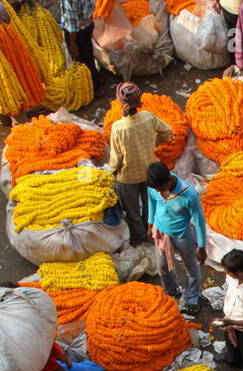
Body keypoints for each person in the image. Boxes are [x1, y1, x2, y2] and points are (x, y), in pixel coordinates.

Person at [107, 83, 173, 245]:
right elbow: (167, 131)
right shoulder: (148, 117)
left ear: (121, 103)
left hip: (127, 176)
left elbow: (117, 157)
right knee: (150, 203)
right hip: (149, 170)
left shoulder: (118, 127)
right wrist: (155, 142)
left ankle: (138, 235)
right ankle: (150, 229)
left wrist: (112, 173)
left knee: (132, 209)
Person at [146, 163, 207, 315]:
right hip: (161, 234)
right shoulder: (154, 188)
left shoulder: (189, 195)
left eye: (160, 189)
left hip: (183, 236)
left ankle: (192, 297)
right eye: (156, 189)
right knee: (162, 267)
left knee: (191, 268)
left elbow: (199, 221)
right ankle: (171, 292)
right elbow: (151, 203)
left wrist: (202, 246)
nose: (158, 192)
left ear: (168, 180)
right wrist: (150, 224)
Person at [59, 0, 100, 87]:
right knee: (89, 56)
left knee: (81, 61)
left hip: (76, 34)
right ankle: (95, 82)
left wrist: (72, 44)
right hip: (87, 25)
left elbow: (72, 26)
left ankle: (91, 87)